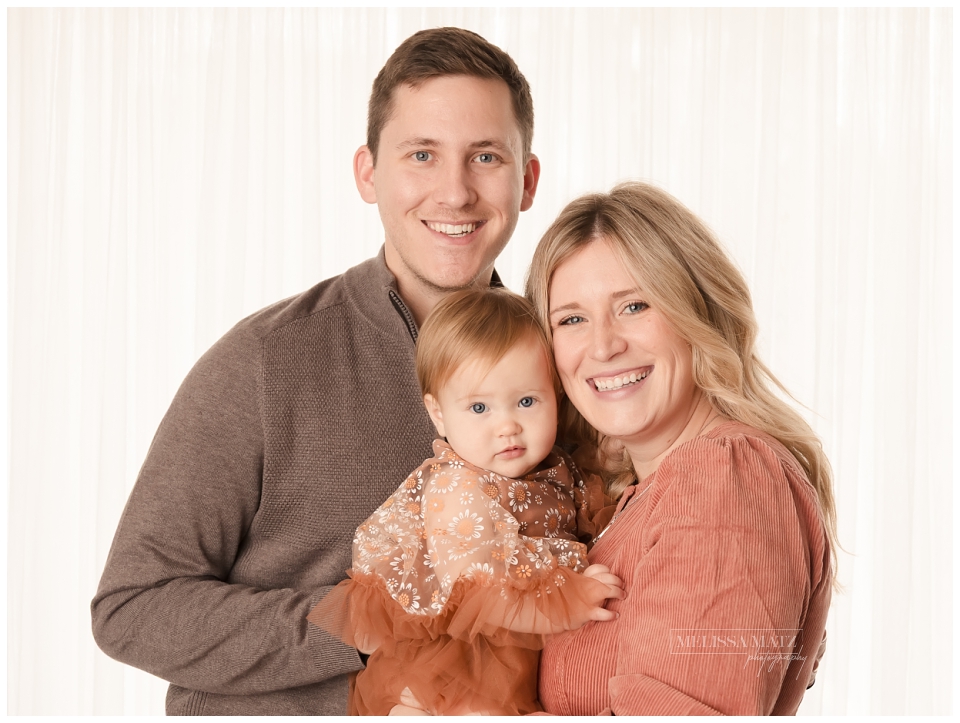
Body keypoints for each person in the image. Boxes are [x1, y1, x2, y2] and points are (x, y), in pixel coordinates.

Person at [90, 27, 541, 715]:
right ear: (368, 172)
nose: (455, 191)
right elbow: (132, 606)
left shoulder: (565, 361)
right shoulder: (266, 361)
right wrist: (365, 620)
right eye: (422, 154)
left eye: (486, 156)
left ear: (527, 179)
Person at [523, 181, 836, 715]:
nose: (603, 345)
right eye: (571, 319)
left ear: (699, 313)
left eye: (634, 305)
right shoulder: (645, 494)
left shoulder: (723, 475)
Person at [307, 288, 623, 715]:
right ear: (438, 414)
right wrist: (572, 603)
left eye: (527, 401)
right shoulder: (456, 488)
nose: (507, 425)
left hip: (511, 661)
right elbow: (485, 596)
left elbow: (594, 509)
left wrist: (614, 455)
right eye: (478, 408)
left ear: (557, 395)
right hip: (453, 667)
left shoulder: (556, 469)